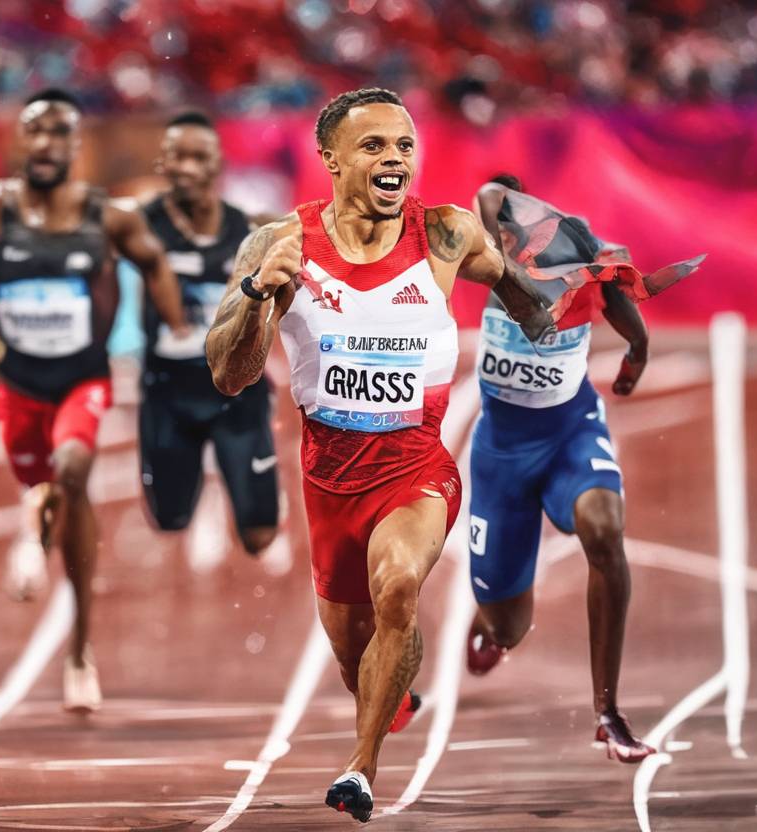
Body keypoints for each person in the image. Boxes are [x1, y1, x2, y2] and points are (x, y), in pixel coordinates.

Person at [205, 88, 555, 824]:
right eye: (373, 147)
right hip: (330, 481)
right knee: (351, 655)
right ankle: (387, 700)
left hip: (416, 470)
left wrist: (541, 314)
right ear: (330, 159)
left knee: (398, 586)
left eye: (403, 145)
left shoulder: (444, 233)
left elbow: (517, 289)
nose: (394, 159)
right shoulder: (278, 243)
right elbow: (229, 375)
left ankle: (360, 770)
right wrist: (258, 293)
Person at [0, 89, 188, 712]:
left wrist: (179, 333)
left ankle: (80, 648)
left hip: (84, 379)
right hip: (20, 386)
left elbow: (155, 264)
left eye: (60, 134)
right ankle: (33, 521)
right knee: (45, 480)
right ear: (22, 142)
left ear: (77, 147)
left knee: (74, 472)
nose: (48, 145)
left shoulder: (109, 217)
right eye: (37, 133)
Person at [465, 173, 655, 762]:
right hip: (502, 455)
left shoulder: (583, 261)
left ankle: (608, 711)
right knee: (508, 630)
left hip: (571, 433)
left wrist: (635, 360)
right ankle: (490, 616)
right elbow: (491, 194)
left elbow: (632, 325)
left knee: (603, 529)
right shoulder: (493, 243)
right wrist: (504, 238)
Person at [136, 111, 280, 554]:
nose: (188, 167)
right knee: (169, 518)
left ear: (218, 165)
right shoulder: (136, 223)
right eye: (177, 157)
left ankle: (246, 475)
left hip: (235, 394)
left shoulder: (253, 228)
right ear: (162, 163)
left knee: (259, 534)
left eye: (199, 157)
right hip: (168, 391)